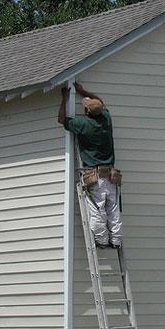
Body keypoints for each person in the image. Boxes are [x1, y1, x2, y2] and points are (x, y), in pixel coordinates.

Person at [58, 82, 122, 249]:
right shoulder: (106, 119)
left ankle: (101, 241)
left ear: (87, 112)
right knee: (113, 209)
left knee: (97, 208)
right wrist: (83, 91)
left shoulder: (83, 124)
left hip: (94, 175)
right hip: (111, 175)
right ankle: (116, 240)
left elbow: (61, 120)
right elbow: (101, 102)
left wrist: (65, 98)